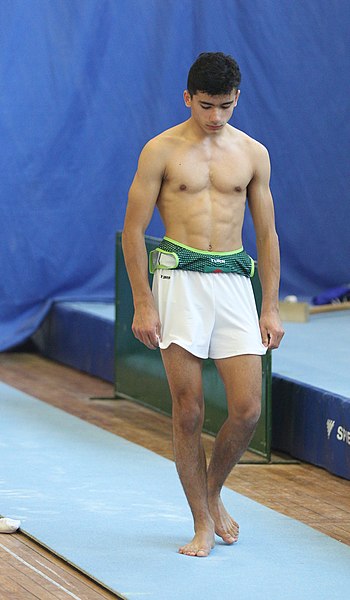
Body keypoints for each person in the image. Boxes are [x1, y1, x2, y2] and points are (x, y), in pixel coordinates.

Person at [122, 52, 284, 557]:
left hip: (234, 281)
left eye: (226, 106)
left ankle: (213, 492)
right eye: (207, 105)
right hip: (178, 282)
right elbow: (133, 231)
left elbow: (267, 234)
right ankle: (200, 522)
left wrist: (271, 306)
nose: (216, 117)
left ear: (239, 99)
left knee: (247, 409)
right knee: (189, 411)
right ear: (187, 97)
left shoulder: (254, 153)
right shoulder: (161, 151)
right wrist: (142, 303)